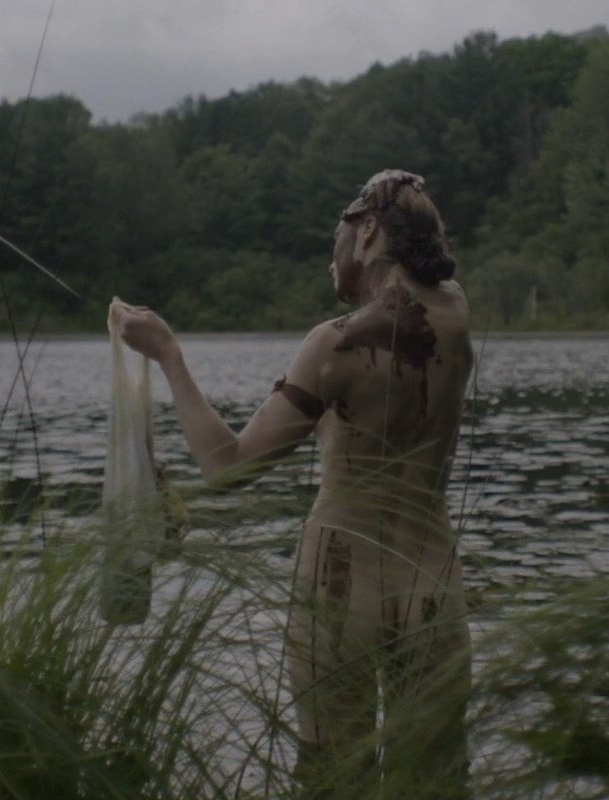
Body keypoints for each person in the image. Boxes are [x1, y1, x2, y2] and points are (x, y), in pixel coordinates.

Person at [113, 168, 473, 797]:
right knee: (434, 785)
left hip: (340, 590)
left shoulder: (331, 346)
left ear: (368, 233)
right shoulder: (456, 315)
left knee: (335, 781)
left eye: (339, 234)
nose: (332, 255)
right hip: (434, 592)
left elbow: (228, 466)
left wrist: (169, 355)